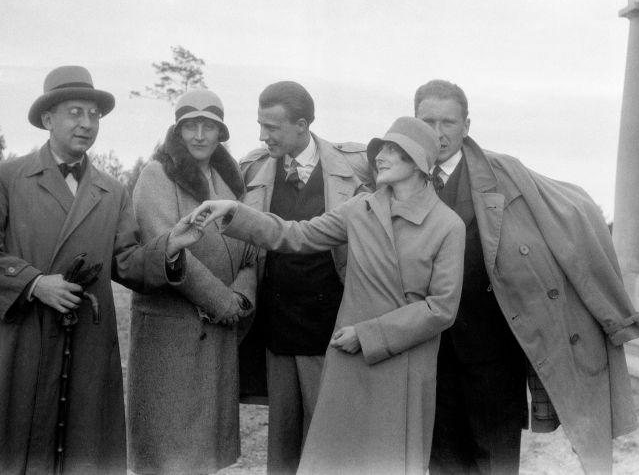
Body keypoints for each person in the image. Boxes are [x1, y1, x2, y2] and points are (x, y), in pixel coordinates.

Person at [0, 66, 202, 475]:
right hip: (18, 339)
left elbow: (128, 262)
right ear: (48, 119)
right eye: (75, 112)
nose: (86, 123)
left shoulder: (113, 191)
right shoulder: (7, 177)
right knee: (7, 448)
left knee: (82, 447)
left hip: (85, 341)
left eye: (94, 115)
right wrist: (33, 283)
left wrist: (170, 245)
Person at [189, 116, 465, 475]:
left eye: (393, 151)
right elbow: (296, 235)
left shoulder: (447, 226)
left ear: (417, 163)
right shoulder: (361, 208)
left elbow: (441, 308)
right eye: (382, 149)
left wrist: (367, 336)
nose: (380, 156)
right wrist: (237, 214)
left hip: (404, 367)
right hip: (351, 363)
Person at [414, 79, 639, 474]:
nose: (438, 133)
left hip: (492, 349)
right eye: (428, 121)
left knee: (496, 458)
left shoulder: (505, 174)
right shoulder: (402, 174)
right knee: (441, 460)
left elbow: (568, 216)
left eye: (448, 122)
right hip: (427, 350)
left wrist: (613, 313)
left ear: (467, 125)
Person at [237, 81, 371, 474]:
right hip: (276, 334)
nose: (264, 136)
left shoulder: (358, 167)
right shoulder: (252, 170)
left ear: (301, 125)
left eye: (272, 127)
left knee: (329, 447)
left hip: (331, 334)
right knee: (282, 449)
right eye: (260, 125)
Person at [126, 89, 257, 474]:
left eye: (209, 126)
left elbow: (251, 251)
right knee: (170, 452)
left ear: (221, 132)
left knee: (205, 454)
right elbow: (167, 246)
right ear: (178, 130)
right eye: (191, 126)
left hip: (218, 332)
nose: (200, 135)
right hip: (173, 336)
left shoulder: (228, 178)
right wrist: (221, 301)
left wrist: (242, 297)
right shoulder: (156, 176)